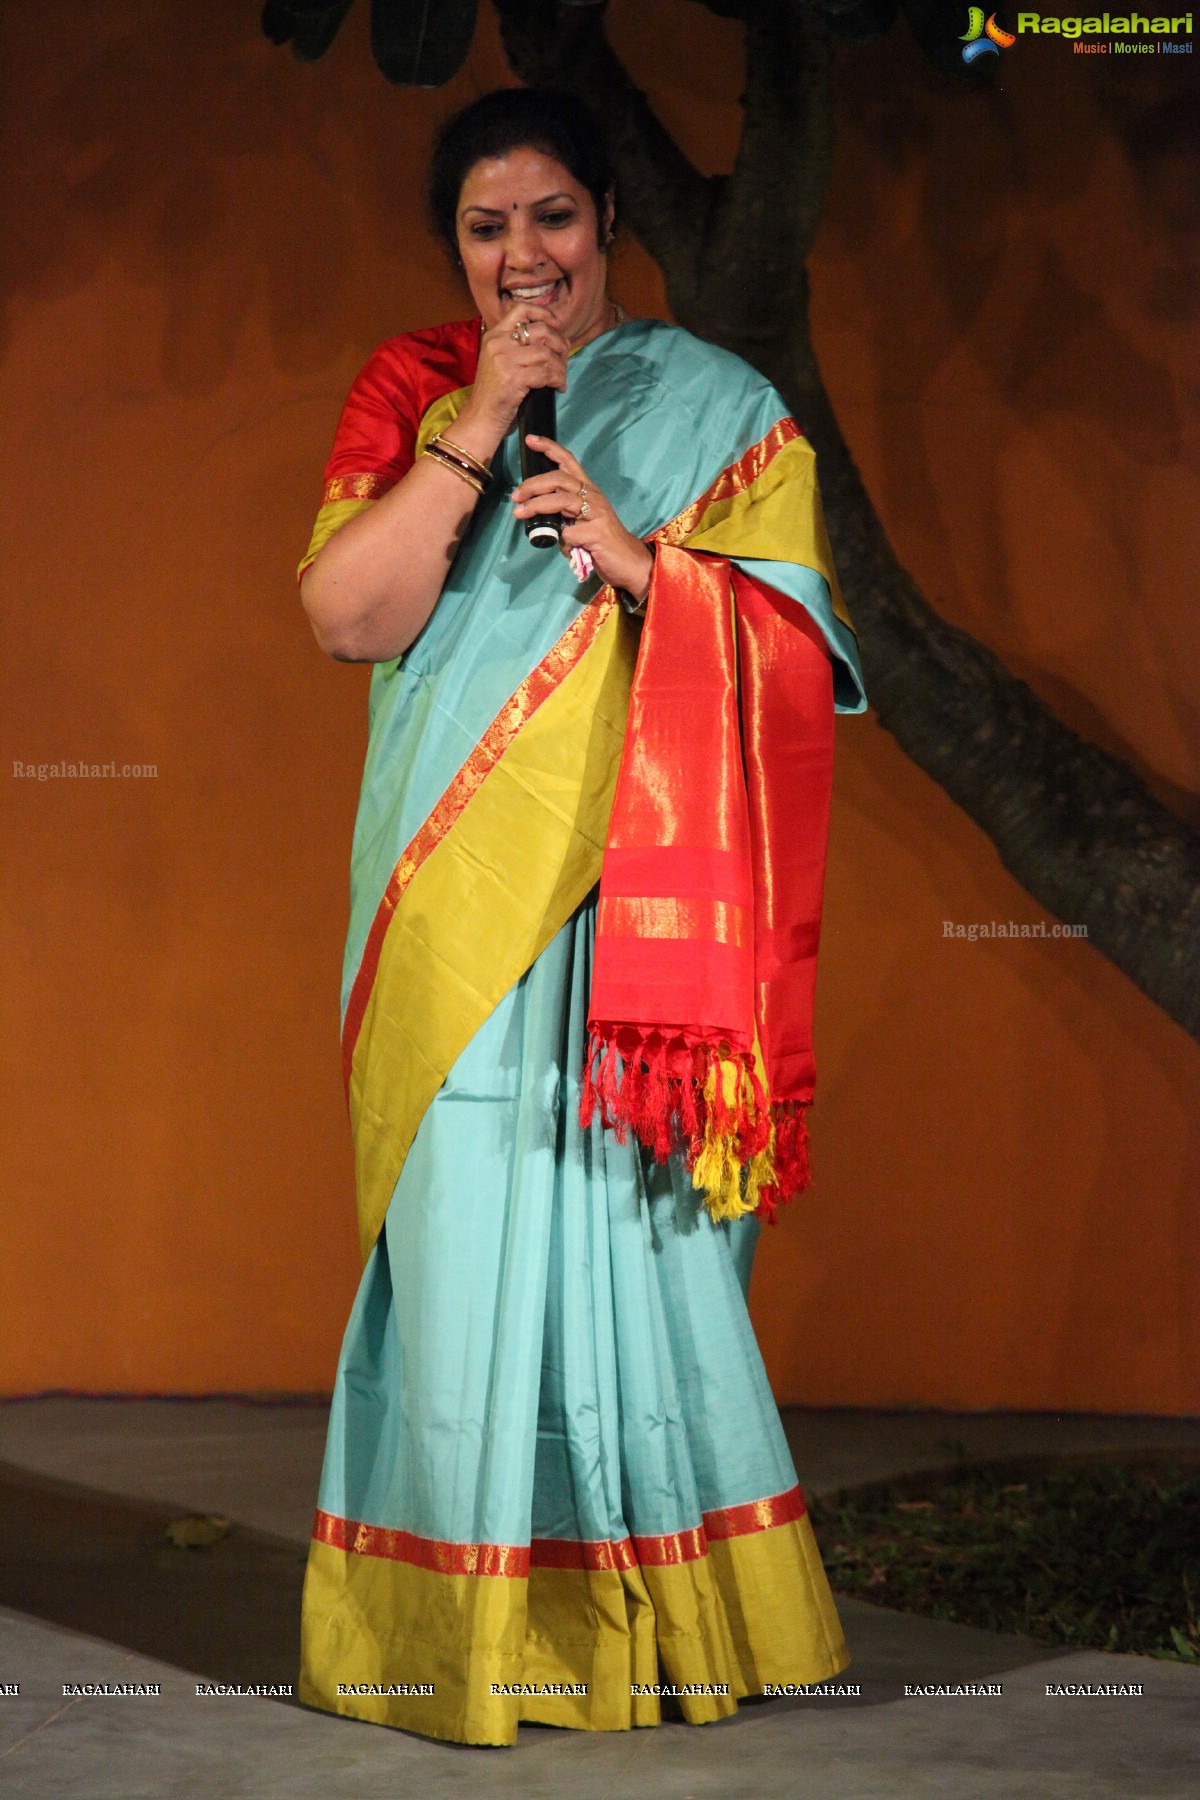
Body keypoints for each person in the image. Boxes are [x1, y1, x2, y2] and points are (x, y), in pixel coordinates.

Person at [296, 88, 866, 1748]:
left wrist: (643, 567)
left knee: (643, 1262)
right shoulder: (414, 387)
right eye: (485, 230)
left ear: (610, 222)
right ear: (454, 254)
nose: (522, 258)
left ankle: (660, 1628)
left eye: (551, 219)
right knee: (464, 1264)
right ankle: (458, 1648)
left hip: (646, 922)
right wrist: (479, 423)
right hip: (451, 901)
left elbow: (806, 671)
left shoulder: (721, 406)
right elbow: (347, 619)